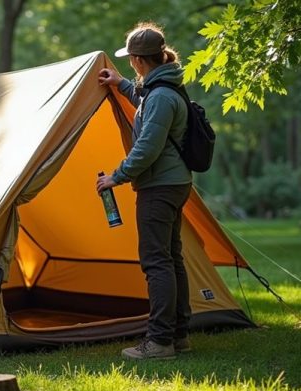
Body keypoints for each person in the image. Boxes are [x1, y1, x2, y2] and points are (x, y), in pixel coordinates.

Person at [96, 22, 192, 360]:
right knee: (171, 258)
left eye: (130, 60)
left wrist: (117, 176)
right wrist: (121, 84)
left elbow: (148, 146)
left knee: (156, 262)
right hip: (172, 183)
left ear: (138, 60)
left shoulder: (162, 95)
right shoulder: (162, 88)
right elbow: (146, 104)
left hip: (160, 186)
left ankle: (160, 341)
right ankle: (179, 335)